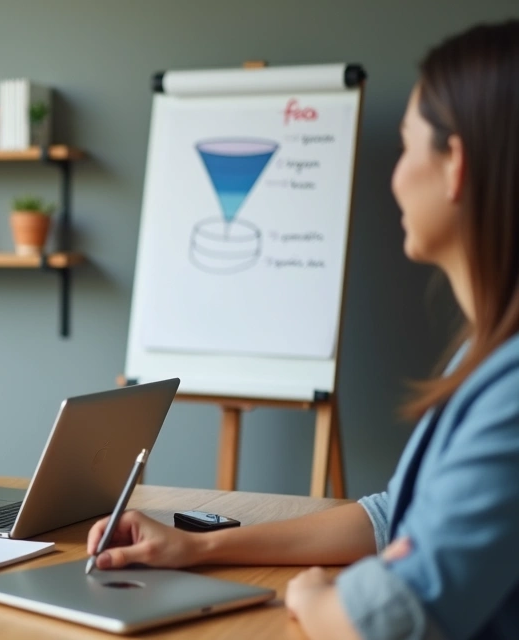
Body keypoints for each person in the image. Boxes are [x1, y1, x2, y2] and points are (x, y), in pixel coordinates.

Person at [89, 20, 519, 640]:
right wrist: (196, 548)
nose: (396, 176)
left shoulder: (509, 390)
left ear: (456, 167)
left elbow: (399, 620)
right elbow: (394, 517)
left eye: (406, 147)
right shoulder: (478, 359)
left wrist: (319, 595)